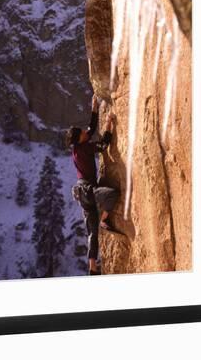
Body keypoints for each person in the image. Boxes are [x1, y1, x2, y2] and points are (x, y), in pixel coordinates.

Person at [65, 95, 119, 275]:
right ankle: (104, 219)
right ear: (79, 139)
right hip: (88, 191)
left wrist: (94, 108)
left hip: (81, 194)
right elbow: (104, 144)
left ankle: (92, 268)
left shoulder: (76, 147)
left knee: (91, 233)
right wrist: (110, 124)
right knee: (113, 194)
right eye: (81, 133)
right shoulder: (84, 148)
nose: (84, 133)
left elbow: (91, 128)